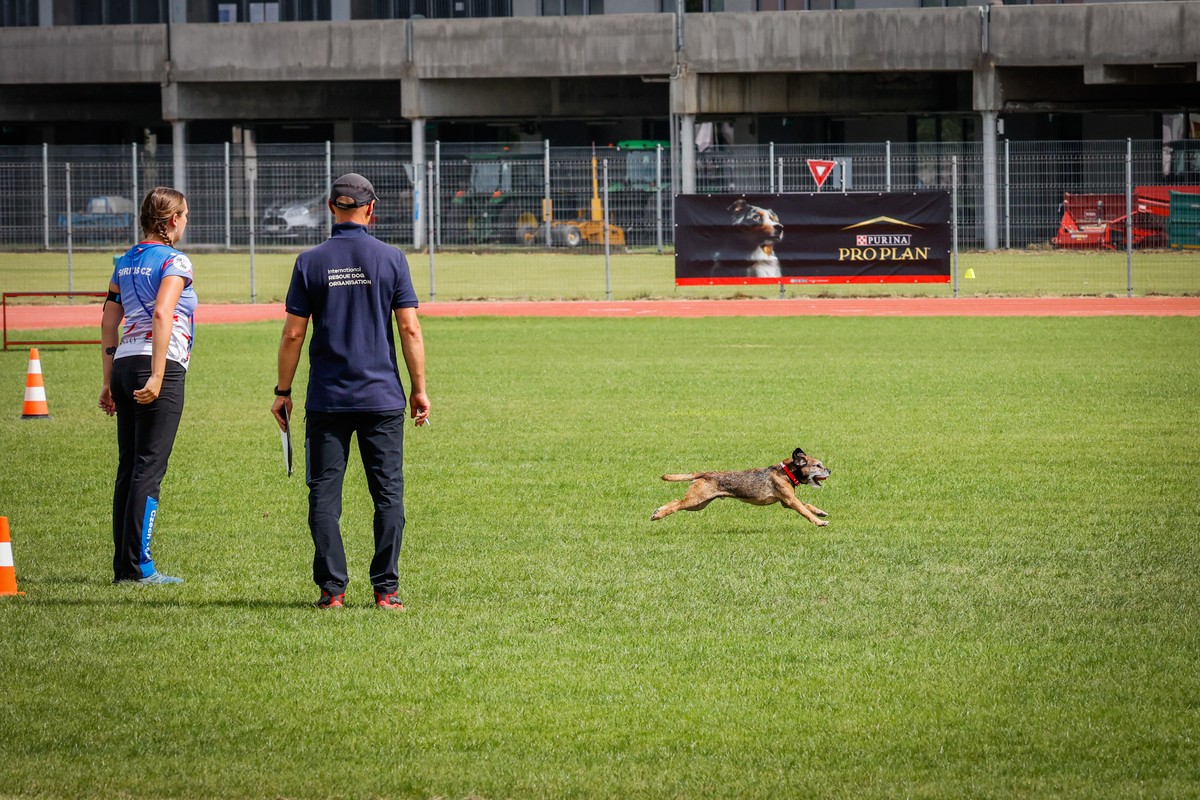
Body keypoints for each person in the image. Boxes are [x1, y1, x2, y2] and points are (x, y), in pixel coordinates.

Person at [271, 172, 430, 611]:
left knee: (324, 495)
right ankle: (386, 591)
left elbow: (292, 334)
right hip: (382, 398)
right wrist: (419, 389)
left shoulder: (309, 261)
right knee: (388, 495)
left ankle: (332, 591)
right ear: (371, 210)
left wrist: (283, 391)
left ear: (330, 208)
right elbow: (410, 329)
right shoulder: (392, 259)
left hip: (327, 399)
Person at [98, 187, 197, 585]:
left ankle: (124, 568)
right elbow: (162, 313)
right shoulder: (175, 260)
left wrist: (107, 380)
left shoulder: (124, 261)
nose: (186, 222)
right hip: (160, 365)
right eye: (184, 215)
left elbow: (109, 321)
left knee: (129, 467)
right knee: (148, 468)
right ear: (172, 220)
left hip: (123, 364)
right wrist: (157, 375)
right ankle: (139, 568)